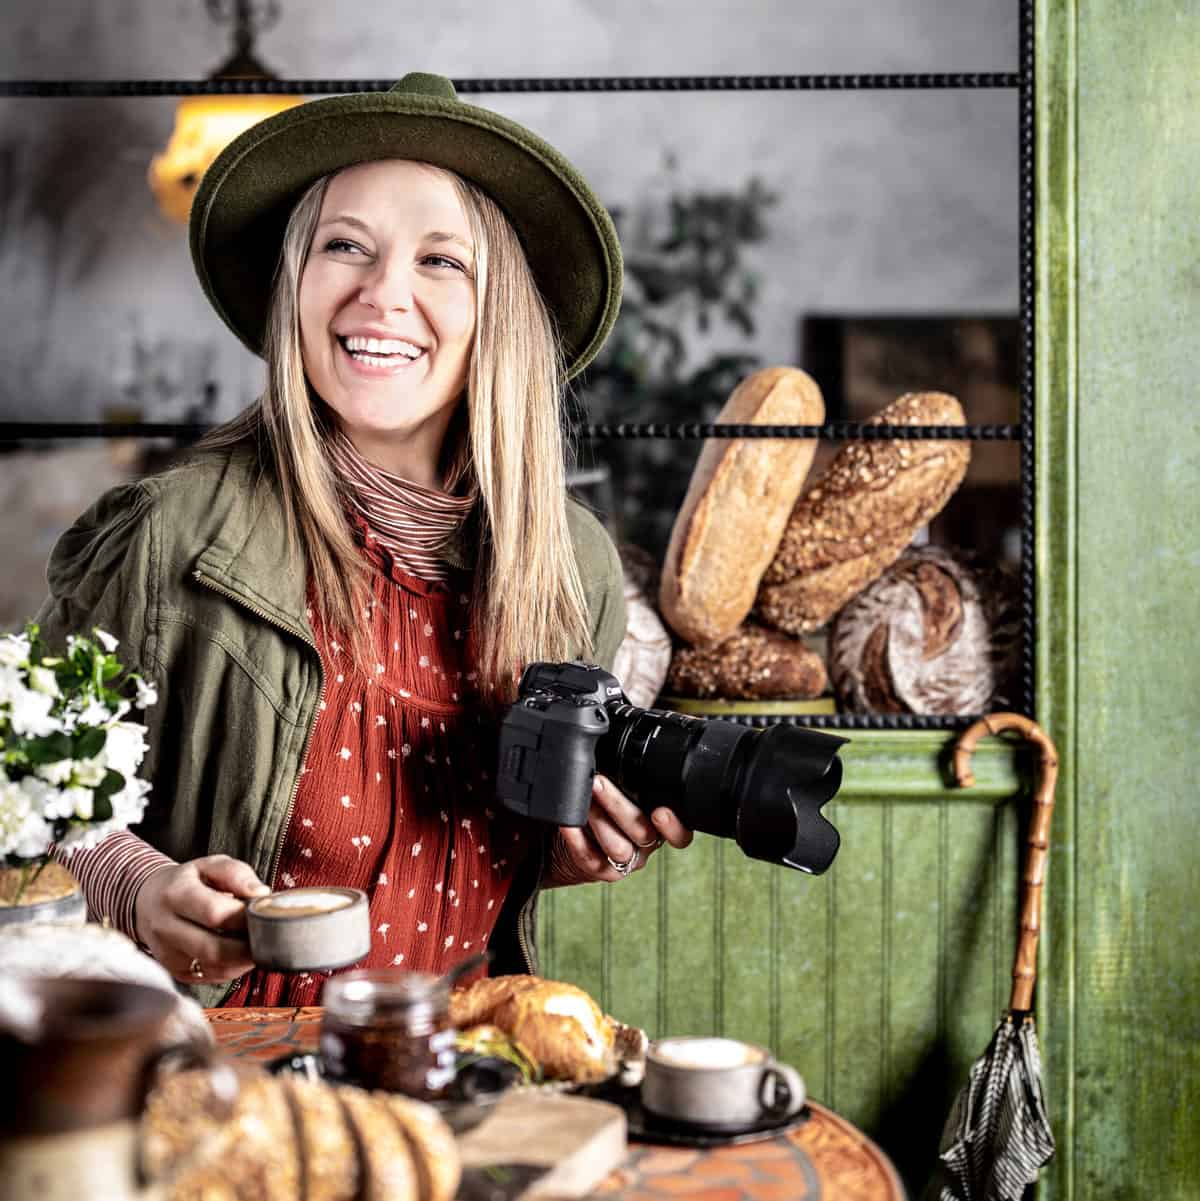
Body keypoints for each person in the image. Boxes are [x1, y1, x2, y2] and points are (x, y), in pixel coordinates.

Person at [36, 72, 692, 1008]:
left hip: (458, 1075)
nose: (383, 293)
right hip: (222, 1086)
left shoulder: (568, 565)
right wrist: (134, 885)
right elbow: (25, 782)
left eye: (440, 261)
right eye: (345, 246)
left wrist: (567, 847)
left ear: (494, 315)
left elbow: (454, 860)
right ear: (294, 287)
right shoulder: (169, 533)